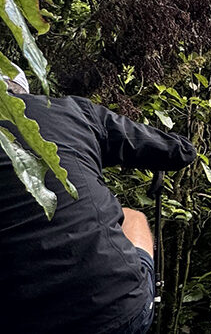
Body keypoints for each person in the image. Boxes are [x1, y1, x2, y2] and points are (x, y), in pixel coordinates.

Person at [0, 68, 196, 333]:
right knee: (133, 217)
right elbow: (179, 152)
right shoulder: (73, 112)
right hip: (115, 308)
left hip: (18, 318)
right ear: (23, 89)